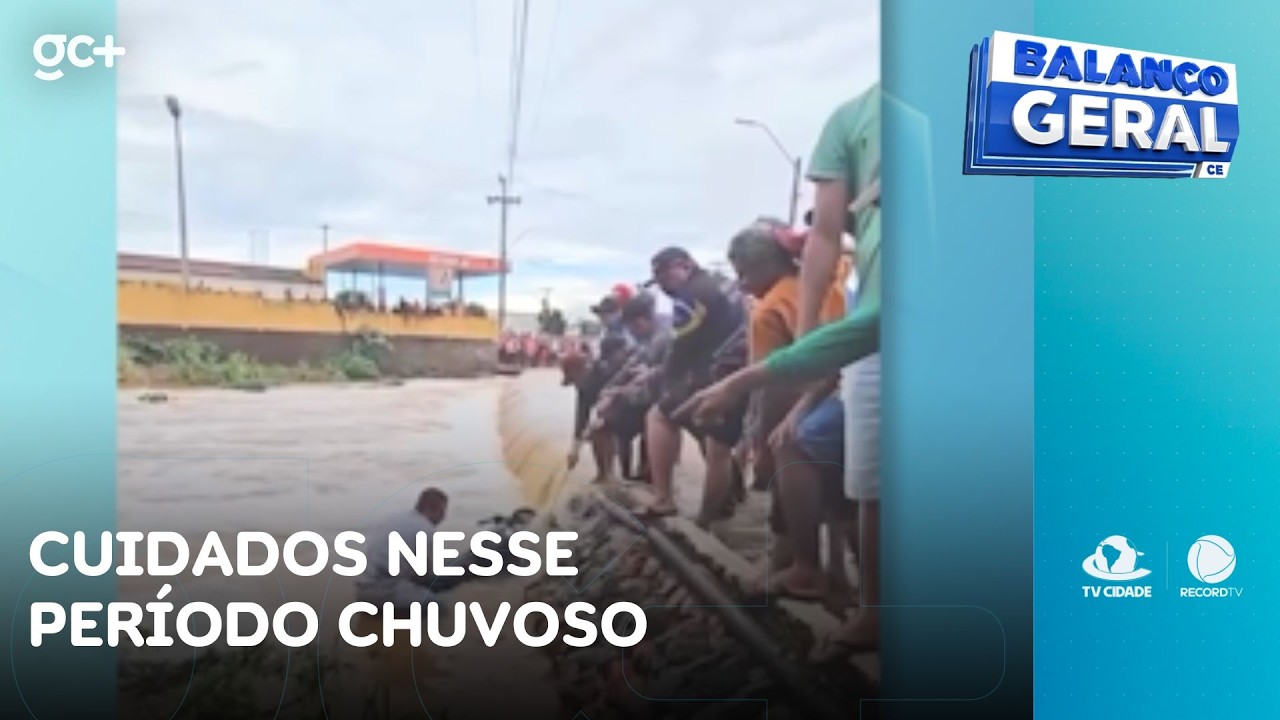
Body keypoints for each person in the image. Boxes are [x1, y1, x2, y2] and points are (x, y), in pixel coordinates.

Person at [680, 84, 882, 656]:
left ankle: (813, 574)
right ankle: (839, 586)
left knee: (809, 460)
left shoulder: (783, 300)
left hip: (831, 384)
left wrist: (783, 415)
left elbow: (815, 359)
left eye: (744, 269)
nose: (739, 280)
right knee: (850, 493)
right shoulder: (798, 288)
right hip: (840, 381)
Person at [725, 217, 848, 597]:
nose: (742, 284)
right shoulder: (833, 274)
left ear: (765, 266)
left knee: (791, 461)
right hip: (852, 387)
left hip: (816, 397)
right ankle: (837, 572)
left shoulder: (769, 309)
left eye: (743, 273)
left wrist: (761, 443)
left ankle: (800, 566)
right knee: (842, 491)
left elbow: (771, 389)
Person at [640, 246, 748, 525]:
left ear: (685, 266)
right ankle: (719, 511)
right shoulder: (723, 283)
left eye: (665, 275)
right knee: (717, 446)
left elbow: (680, 349)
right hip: (746, 369)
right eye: (658, 279)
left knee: (660, 417)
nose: (663, 285)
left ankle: (666, 500)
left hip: (715, 373)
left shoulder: (691, 296)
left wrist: (664, 382)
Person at [585, 294, 674, 481]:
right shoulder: (642, 341)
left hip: (663, 400)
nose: (632, 331)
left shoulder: (665, 339)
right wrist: (608, 391)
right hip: (640, 399)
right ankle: (608, 475)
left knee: (654, 423)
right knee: (601, 425)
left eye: (634, 326)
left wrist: (617, 393)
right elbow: (628, 369)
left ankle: (653, 478)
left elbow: (664, 376)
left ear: (644, 320)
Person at [355, 487, 449, 610]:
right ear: (435, 509)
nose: (443, 517)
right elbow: (424, 576)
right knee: (438, 606)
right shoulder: (426, 530)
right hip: (383, 594)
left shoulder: (395, 519)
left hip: (361, 590)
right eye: (443, 511)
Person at [565, 336, 631, 483]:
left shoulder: (606, 373)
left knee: (599, 429)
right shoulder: (584, 387)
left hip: (630, 408)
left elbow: (619, 399)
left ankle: (610, 474)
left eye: (574, 379)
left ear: (582, 370)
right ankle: (606, 473)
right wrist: (574, 450)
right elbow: (581, 419)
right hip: (614, 410)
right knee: (597, 429)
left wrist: (602, 418)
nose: (575, 385)